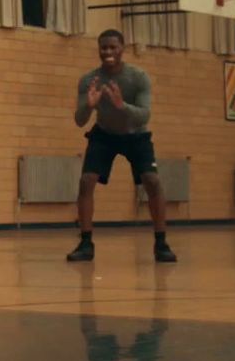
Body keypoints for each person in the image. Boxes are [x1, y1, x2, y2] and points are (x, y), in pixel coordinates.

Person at [66, 29, 178, 263]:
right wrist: (88, 106)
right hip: (104, 134)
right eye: (103, 47)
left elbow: (143, 116)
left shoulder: (138, 77)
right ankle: (86, 243)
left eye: (112, 47)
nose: (107, 52)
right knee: (86, 181)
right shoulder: (89, 80)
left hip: (135, 135)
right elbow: (79, 120)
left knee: (152, 180)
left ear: (122, 49)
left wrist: (121, 105)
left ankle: (161, 243)